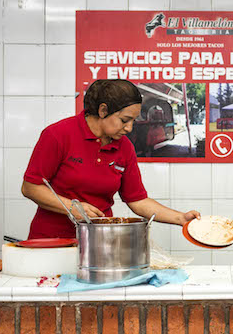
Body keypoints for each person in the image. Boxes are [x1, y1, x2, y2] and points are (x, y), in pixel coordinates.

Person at [22, 79, 200, 238]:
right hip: (51, 240)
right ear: (103, 110)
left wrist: (180, 218)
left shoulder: (124, 147)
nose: (129, 128)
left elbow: (137, 200)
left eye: (133, 121)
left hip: (99, 242)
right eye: (124, 120)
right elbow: (30, 187)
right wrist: (72, 207)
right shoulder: (58, 135)